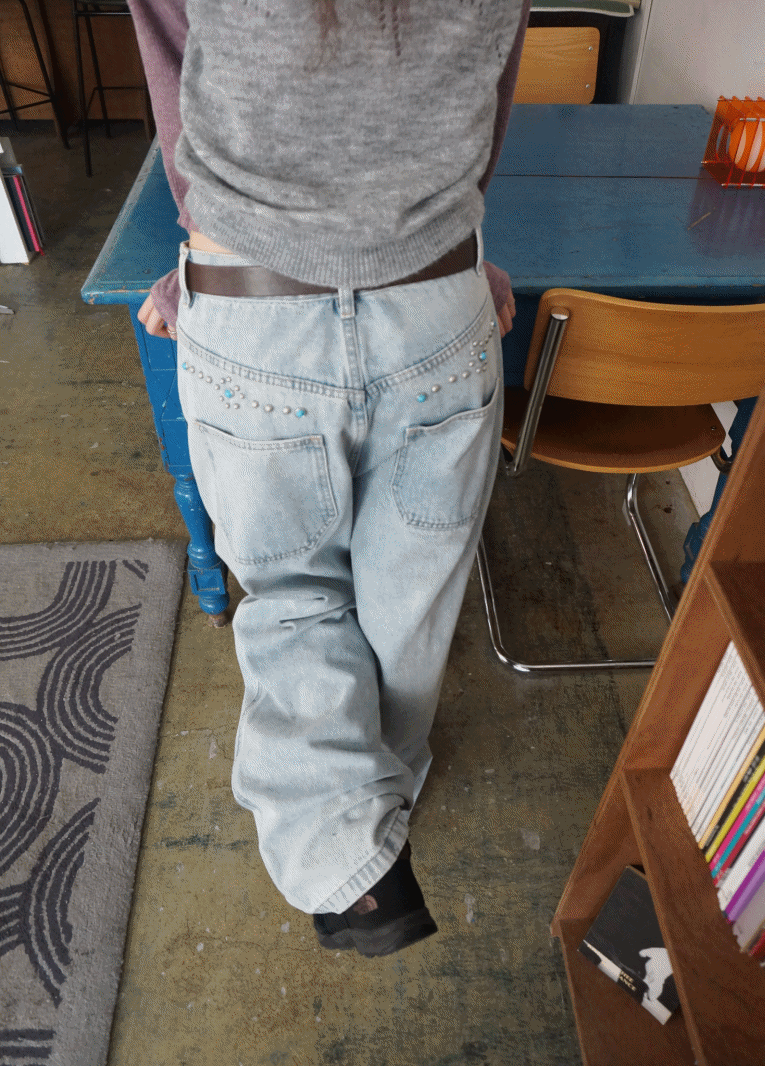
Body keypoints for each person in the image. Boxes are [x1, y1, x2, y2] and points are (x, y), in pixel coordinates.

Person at [128, 0, 527, 957]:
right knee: (414, 602)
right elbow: (490, 86)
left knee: (293, 592)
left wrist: (202, 264)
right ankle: (386, 801)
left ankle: (353, 860)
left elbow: (180, 76)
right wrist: (453, 256)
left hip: (250, 297)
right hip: (437, 298)